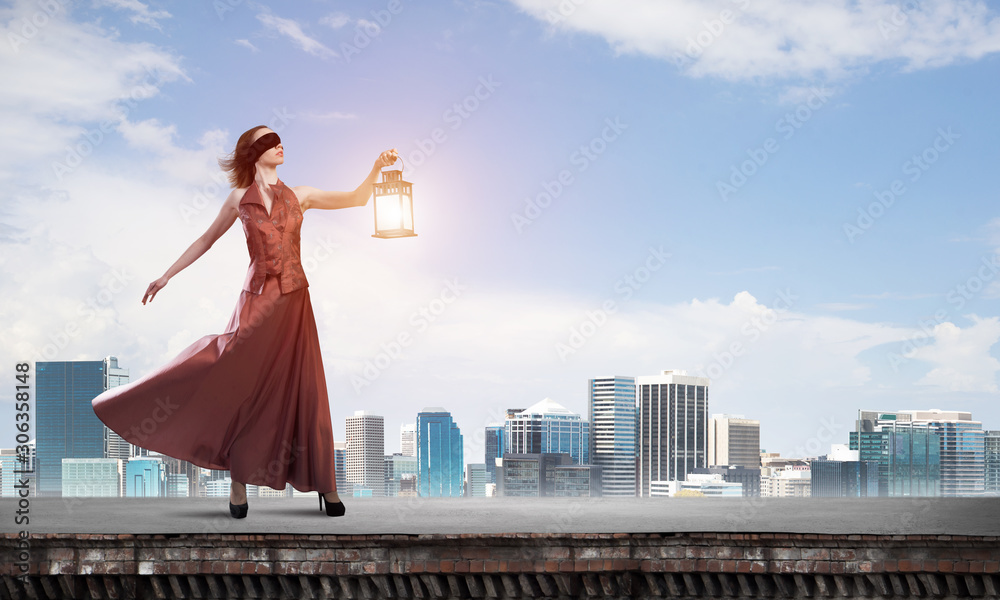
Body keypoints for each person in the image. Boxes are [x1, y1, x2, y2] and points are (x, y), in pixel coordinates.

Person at [92, 125, 398, 518]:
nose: (280, 144)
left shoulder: (301, 195)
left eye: (280, 138)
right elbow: (206, 239)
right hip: (255, 302)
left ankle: (325, 484)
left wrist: (375, 168)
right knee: (236, 382)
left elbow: (358, 199)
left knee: (304, 388)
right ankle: (237, 482)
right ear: (254, 153)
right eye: (269, 141)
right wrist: (167, 275)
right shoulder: (238, 199)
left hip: (294, 302)